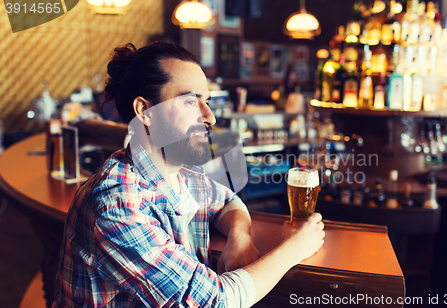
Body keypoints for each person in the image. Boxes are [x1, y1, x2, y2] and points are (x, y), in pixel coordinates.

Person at [53, 42, 325, 308]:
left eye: (206, 101)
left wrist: (239, 236)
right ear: (144, 111)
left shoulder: (180, 169)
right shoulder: (118, 205)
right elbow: (217, 301)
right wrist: (295, 248)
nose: (210, 117)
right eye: (190, 101)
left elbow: (229, 202)